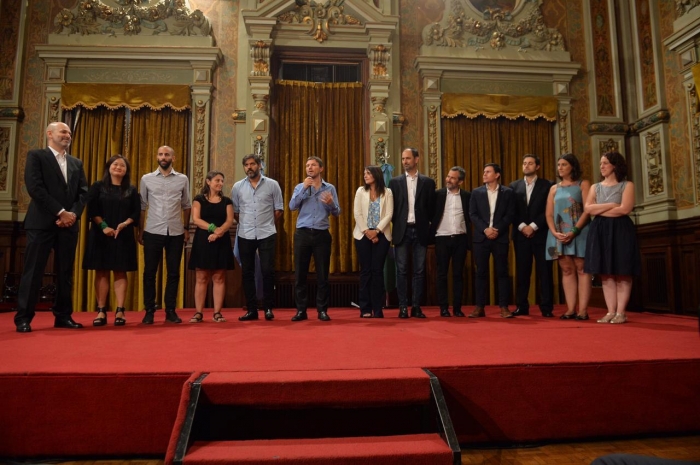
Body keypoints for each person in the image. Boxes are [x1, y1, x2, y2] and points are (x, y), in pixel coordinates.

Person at [14, 122, 88, 333]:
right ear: (49, 134)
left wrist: (73, 214)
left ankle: (63, 316)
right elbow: (35, 188)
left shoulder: (76, 162)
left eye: (69, 133)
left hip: (69, 225)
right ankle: (23, 318)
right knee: (34, 271)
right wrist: (60, 212)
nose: (67, 135)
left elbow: (83, 192)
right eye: (63, 131)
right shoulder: (36, 156)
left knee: (65, 272)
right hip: (41, 224)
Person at [83, 155, 141, 326]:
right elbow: (92, 210)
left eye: (122, 165)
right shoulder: (97, 186)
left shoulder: (131, 189)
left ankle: (120, 311)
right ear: (108, 167)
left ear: (126, 170)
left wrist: (125, 224)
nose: (118, 167)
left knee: (120, 271)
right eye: (115, 164)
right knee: (101, 271)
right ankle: (101, 311)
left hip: (123, 235)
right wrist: (104, 227)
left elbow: (136, 213)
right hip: (101, 234)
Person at [584, 152, 640, 324]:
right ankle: (610, 311)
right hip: (600, 229)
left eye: (605, 163)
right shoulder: (595, 187)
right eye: (601, 163)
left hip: (621, 229)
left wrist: (599, 209)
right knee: (606, 273)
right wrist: (611, 205)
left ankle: (621, 312)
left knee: (622, 272)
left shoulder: (627, 185)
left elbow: (624, 210)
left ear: (615, 165)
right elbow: (588, 209)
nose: (601, 166)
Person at [139, 145, 191, 324]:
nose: (163, 157)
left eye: (167, 154)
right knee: (149, 273)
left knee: (174, 273)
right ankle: (149, 311)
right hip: (153, 230)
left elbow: (186, 205)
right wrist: (140, 230)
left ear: (173, 158)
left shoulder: (183, 179)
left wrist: (185, 228)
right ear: (157, 157)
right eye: (160, 154)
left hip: (176, 232)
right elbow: (142, 206)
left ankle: (170, 310)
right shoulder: (146, 179)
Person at [231, 154, 284, 321]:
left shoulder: (272, 185)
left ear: (259, 165)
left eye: (252, 164)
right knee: (247, 272)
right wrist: (248, 224)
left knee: (267, 271)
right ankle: (252, 309)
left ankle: (268, 308)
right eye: (246, 165)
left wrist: (265, 223)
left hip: (266, 233)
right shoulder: (237, 187)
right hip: (245, 234)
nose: (249, 167)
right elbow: (236, 212)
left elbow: (279, 210)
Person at [289, 156, 341, 321]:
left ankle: (322, 310)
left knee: (322, 275)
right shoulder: (300, 187)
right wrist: (304, 189)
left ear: (321, 169)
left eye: (313, 165)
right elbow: (292, 206)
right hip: (302, 234)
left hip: (321, 234)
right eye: (307, 166)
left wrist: (331, 203)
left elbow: (337, 212)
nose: (309, 168)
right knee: (300, 275)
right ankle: (301, 311)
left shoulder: (329, 188)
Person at [388, 148, 436, 319]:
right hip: (402, 230)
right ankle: (402, 307)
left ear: (417, 159)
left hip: (421, 230)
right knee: (400, 270)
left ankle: (416, 307)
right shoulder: (394, 182)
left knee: (419, 271)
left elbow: (432, 209)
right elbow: (391, 208)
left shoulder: (428, 182)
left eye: (408, 158)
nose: (405, 161)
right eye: (403, 159)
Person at [545, 153, 591, 320]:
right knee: (566, 270)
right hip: (557, 234)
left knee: (582, 269)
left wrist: (574, 231)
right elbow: (549, 214)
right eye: (558, 165)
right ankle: (571, 309)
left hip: (580, 232)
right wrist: (554, 232)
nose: (560, 168)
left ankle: (583, 311)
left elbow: (588, 210)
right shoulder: (553, 188)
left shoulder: (583, 184)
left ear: (573, 166)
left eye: (564, 164)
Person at [509, 154, 555, 317]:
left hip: (543, 235)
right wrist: (523, 227)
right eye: (524, 163)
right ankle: (522, 306)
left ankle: (547, 308)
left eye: (530, 163)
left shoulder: (549, 185)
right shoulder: (513, 186)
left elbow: (550, 210)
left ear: (537, 167)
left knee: (546, 271)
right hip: (521, 235)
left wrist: (534, 226)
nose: (526, 165)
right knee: (522, 272)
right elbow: (510, 211)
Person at [469, 163, 515, 318]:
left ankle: (504, 307)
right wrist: (485, 229)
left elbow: (510, 214)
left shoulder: (508, 192)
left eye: (488, 172)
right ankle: (479, 307)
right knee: (480, 272)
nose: (484, 174)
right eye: (484, 172)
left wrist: (497, 229)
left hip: (500, 237)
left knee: (502, 272)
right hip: (481, 238)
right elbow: (473, 214)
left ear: (497, 175)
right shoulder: (476, 192)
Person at [188, 171, 235, 323]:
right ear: (208, 182)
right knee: (201, 277)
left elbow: (229, 221)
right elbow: (196, 219)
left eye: (222, 181)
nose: (220, 183)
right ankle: (198, 313)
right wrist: (213, 228)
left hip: (221, 240)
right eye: (217, 180)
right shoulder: (199, 199)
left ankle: (217, 313)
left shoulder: (226, 201)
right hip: (203, 240)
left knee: (219, 277)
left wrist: (219, 232)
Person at [353, 165, 394, 318]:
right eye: (364, 173)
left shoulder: (387, 192)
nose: (365, 176)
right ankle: (365, 308)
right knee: (366, 271)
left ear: (376, 175)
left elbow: (389, 214)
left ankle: (378, 308)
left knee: (377, 272)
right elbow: (357, 213)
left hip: (382, 235)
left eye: (368, 173)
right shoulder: (360, 191)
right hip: (362, 235)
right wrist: (367, 232)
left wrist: (376, 231)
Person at [433, 166, 471, 318]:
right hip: (441, 238)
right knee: (441, 274)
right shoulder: (438, 195)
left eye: (452, 178)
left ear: (460, 181)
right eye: (448, 176)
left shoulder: (468, 196)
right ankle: (443, 308)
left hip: (460, 239)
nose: (448, 179)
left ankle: (457, 308)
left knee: (458, 275)